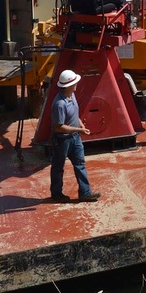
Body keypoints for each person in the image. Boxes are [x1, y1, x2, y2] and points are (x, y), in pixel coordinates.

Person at [49, 69, 101, 203]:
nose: (77, 85)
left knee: (80, 164)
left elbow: (75, 115)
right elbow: (58, 127)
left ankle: (85, 192)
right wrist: (78, 129)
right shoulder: (59, 104)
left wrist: (80, 127)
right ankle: (56, 194)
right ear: (68, 85)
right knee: (58, 167)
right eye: (75, 83)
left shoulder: (72, 96)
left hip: (75, 138)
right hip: (62, 140)